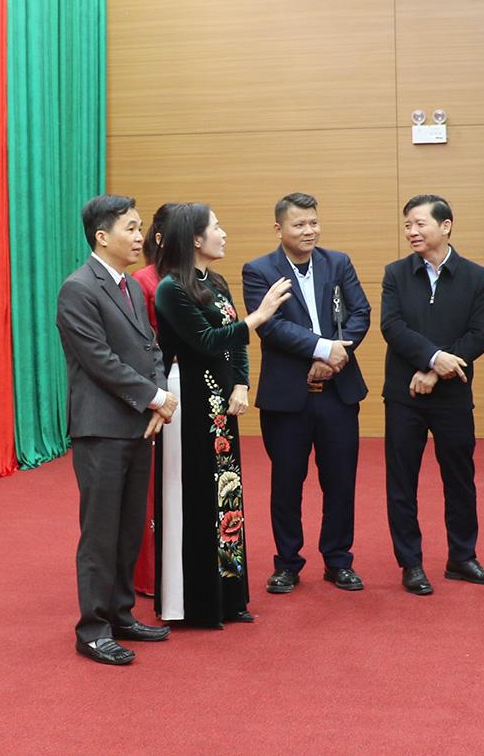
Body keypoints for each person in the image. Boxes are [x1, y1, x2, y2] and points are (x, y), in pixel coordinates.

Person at [154, 203, 292, 626]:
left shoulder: (214, 281)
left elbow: (236, 344)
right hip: (188, 398)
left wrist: (241, 384)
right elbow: (207, 340)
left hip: (220, 400)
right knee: (193, 493)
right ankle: (192, 603)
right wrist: (260, 316)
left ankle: (228, 597)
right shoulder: (170, 288)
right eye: (216, 227)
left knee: (225, 494)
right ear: (195, 238)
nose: (224, 233)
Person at [56, 194, 177, 665]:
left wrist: (159, 395)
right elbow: (99, 361)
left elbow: (151, 348)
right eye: (131, 227)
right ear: (102, 236)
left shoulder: (128, 285)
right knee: (101, 532)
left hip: (137, 425)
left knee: (129, 530)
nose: (140, 236)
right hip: (101, 429)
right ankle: (92, 629)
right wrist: (156, 398)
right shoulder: (78, 288)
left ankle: (122, 614)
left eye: (139, 226)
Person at [242, 193, 372, 595]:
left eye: (313, 222)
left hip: (338, 391)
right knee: (287, 483)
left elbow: (361, 313)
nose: (309, 231)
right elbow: (270, 327)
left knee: (340, 481)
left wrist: (333, 358)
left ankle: (338, 560)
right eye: (299, 224)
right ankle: (287, 563)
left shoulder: (339, 262)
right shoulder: (259, 271)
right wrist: (322, 348)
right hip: (287, 397)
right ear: (279, 229)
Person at [381, 194, 484, 595]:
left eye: (420, 224)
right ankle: (411, 563)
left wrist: (435, 370)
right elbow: (392, 327)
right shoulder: (396, 274)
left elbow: (479, 335)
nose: (412, 232)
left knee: (460, 477)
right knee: (402, 480)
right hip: (404, 394)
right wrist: (432, 358)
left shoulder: (476, 276)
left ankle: (462, 557)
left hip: (452, 393)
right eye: (407, 225)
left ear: (445, 226)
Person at [131, 202, 177, 598]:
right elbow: (143, 349)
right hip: (158, 392)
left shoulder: (195, 278)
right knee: (153, 484)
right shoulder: (143, 281)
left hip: (188, 391)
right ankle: (149, 573)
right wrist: (156, 395)